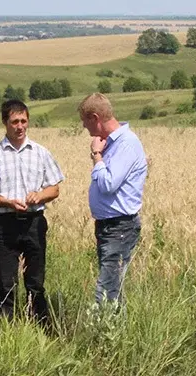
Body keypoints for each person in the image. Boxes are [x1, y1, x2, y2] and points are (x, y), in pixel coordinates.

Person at [0, 99, 64, 324]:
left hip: (34, 222)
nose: (20, 126)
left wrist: (39, 196)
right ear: (5, 123)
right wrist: (5, 202)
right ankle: (5, 327)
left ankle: (41, 324)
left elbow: (54, 188)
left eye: (23, 121)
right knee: (6, 280)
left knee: (35, 280)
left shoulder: (41, 153)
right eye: (14, 121)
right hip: (5, 224)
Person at [77, 93, 147, 306]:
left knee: (106, 288)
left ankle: (100, 335)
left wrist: (96, 157)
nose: (84, 127)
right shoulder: (114, 143)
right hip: (110, 226)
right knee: (113, 286)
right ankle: (116, 331)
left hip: (120, 226)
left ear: (95, 118)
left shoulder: (126, 144)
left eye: (85, 121)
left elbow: (108, 185)